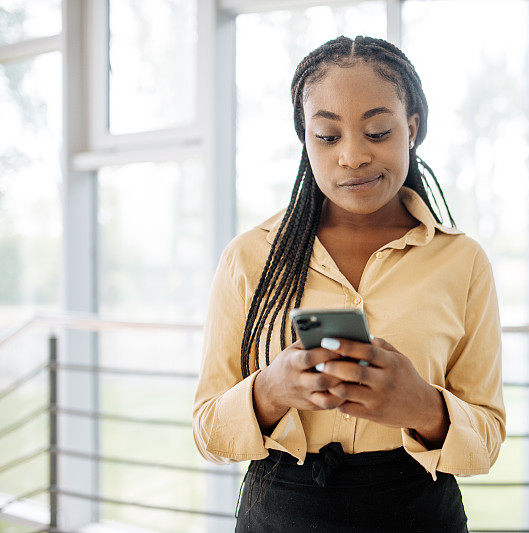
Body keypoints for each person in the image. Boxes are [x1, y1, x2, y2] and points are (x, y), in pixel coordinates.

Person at [192, 35, 506, 532]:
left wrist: (423, 407)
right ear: (306, 140)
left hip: (417, 511)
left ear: (412, 129)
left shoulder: (462, 260)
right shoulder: (249, 257)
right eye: (328, 136)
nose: (353, 156)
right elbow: (208, 433)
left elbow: (486, 440)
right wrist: (271, 391)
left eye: (378, 132)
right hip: (281, 512)